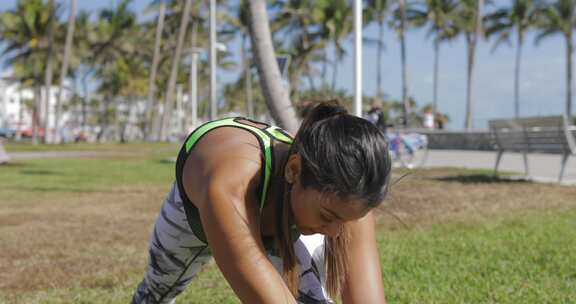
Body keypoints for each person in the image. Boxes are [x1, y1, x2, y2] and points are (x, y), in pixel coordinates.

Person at [132, 101, 392, 304]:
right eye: (327, 216)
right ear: (293, 170)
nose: (335, 232)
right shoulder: (230, 185)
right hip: (194, 215)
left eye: (346, 221)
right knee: (156, 292)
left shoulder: (349, 191)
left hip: (286, 206)